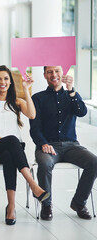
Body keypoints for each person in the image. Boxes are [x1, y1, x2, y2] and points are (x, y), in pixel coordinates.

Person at [0, 65, 49, 225]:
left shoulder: (17, 102)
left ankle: (11, 206)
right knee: (11, 141)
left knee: (10, 155)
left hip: (14, 150)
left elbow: (32, 114)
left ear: (10, 82)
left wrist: (26, 89)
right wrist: (3, 141)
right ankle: (33, 185)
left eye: (6, 79)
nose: (2, 82)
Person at [30, 65, 97, 220]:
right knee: (45, 164)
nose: (54, 74)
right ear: (45, 75)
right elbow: (35, 128)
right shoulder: (38, 98)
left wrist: (71, 90)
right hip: (47, 146)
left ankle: (79, 203)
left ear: (63, 73)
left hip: (71, 145)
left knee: (94, 162)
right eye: (50, 72)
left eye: (57, 71)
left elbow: (82, 112)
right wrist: (43, 144)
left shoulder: (72, 95)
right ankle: (46, 205)